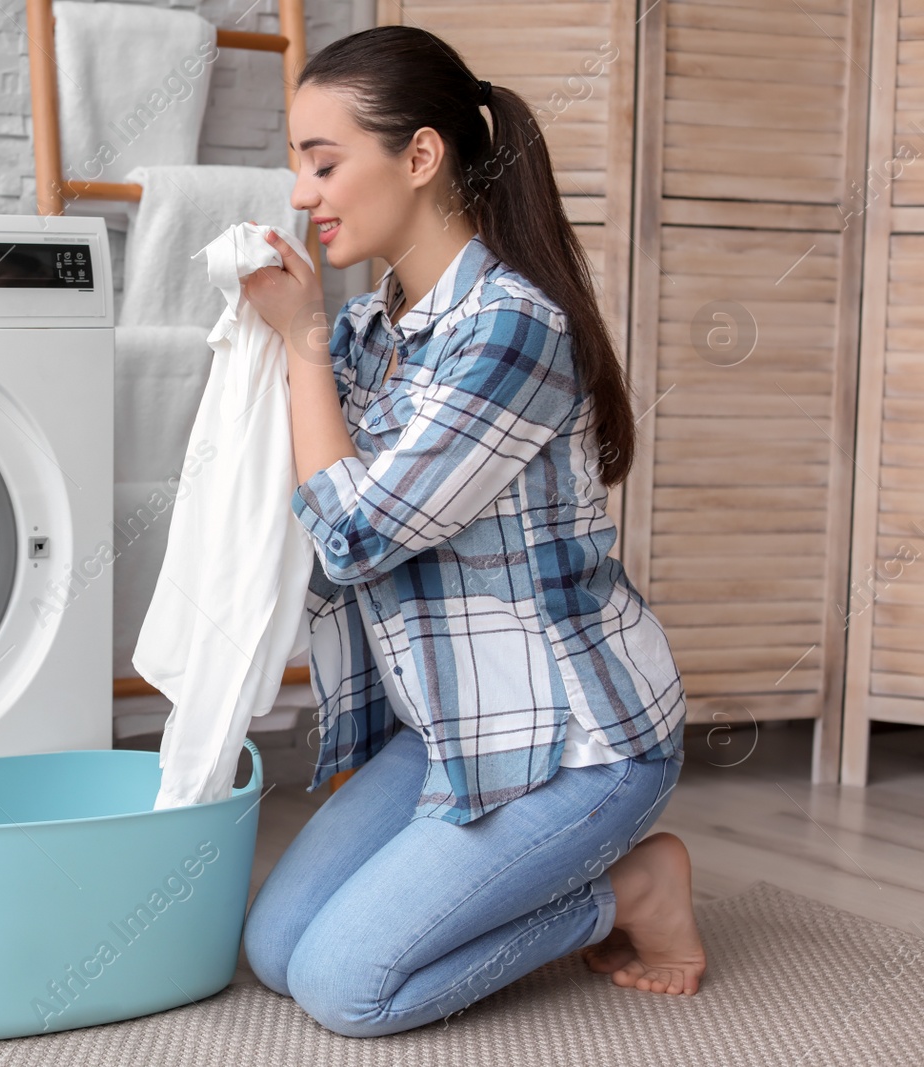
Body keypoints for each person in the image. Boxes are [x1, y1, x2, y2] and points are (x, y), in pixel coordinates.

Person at [236, 25, 707, 1038]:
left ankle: (631, 890)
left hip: (581, 738)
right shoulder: (374, 332)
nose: (301, 193)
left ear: (418, 157)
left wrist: (301, 344)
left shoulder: (510, 328)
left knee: (343, 987)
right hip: (452, 722)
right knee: (275, 951)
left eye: (323, 164)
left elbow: (355, 535)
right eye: (295, 167)